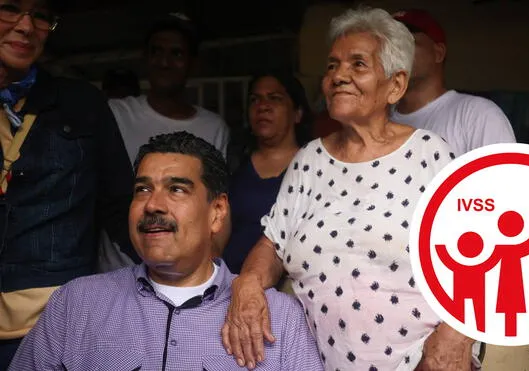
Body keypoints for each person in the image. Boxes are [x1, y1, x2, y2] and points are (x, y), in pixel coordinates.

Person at [222, 7, 477, 371]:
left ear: (396, 86)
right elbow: (272, 244)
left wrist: (455, 335)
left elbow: (481, 257)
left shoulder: (430, 153)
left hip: (426, 361)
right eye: (331, 66)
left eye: (358, 64)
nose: (338, 75)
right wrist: (247, 282)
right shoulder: (308, 160)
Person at [8, 131, 323, 371]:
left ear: (217, 211)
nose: (153, 205)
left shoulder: (279, 319)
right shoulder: (76, 305)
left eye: (176, 189)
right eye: (142, 189)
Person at [0, 0, 134, 368]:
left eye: (40, 15)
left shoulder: (81, 103)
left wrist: (188, 275)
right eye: (10, 8)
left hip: (51, 324)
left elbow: (120, 205)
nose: (26, 26)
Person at [390, 9, 515, 156]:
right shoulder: (378, 119)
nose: (396, 52)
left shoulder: (477, 115)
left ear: (438, 53)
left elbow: (503, 177)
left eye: (407, 42)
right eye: (390, 45)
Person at [108, 13, 230, 164]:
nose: (164, 62)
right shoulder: (116, 114)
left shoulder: (213, 128)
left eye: (176, 53)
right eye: (157, 51)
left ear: (193, 64)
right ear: (145, 58)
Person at [223, 71, 312, 274]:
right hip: (229, 282)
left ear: (297, 113)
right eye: (255, 99)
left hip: (289, 287)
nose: (262, 106)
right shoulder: (234, 161)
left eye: (275, 99)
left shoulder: (313, 164)